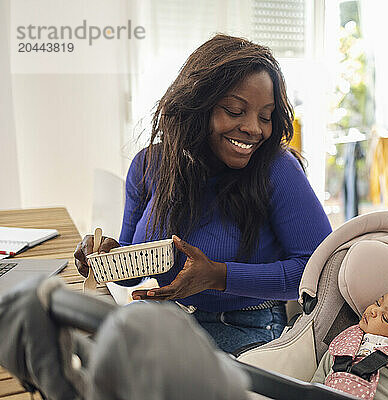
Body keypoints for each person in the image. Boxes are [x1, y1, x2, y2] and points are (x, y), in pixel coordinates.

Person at [73, 34, 332, 354]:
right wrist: (108, 259)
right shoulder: (149, 166)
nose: (254, 128)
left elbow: (318, 270)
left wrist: (218, 276)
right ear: (198, 105)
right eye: (235, 110)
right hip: (172, 316)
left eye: (265, 116)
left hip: (245, 323)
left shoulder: (276, 169)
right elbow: (133, 273)